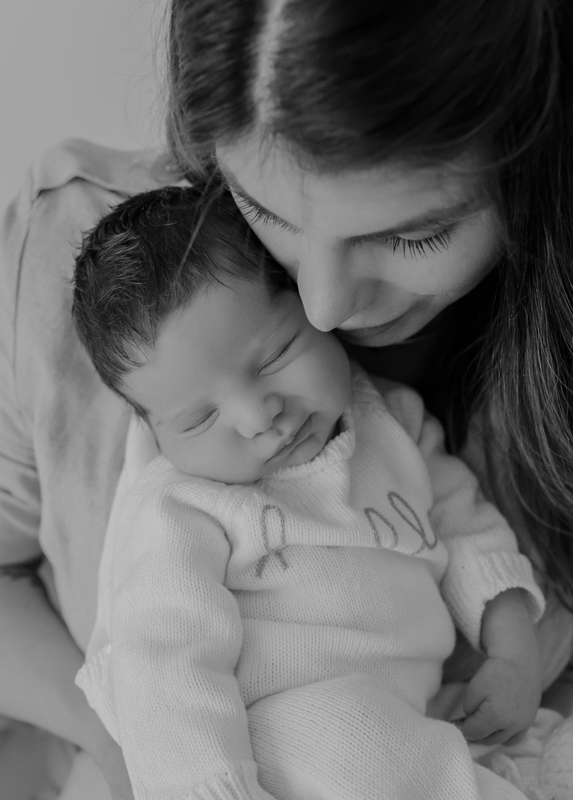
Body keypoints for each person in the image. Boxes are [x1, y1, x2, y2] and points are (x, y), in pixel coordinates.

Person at [0, 1, 573, 798]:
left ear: (549, 175)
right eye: (261, 208)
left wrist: (509, 671)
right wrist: (129, 746)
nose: (325, 306)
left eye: (413, 234)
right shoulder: (74, 278)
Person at [71, 184, 546, 800]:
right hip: (264, 738)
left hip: (407, 718)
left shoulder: (394, 423)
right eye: (199, 419)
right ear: (153, 433)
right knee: (355, 739)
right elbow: (165, 658)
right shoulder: (184, 507)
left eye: (275, 355)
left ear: (312, 307)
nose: (258, 417)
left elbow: (468, 527)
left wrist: (512, 652)